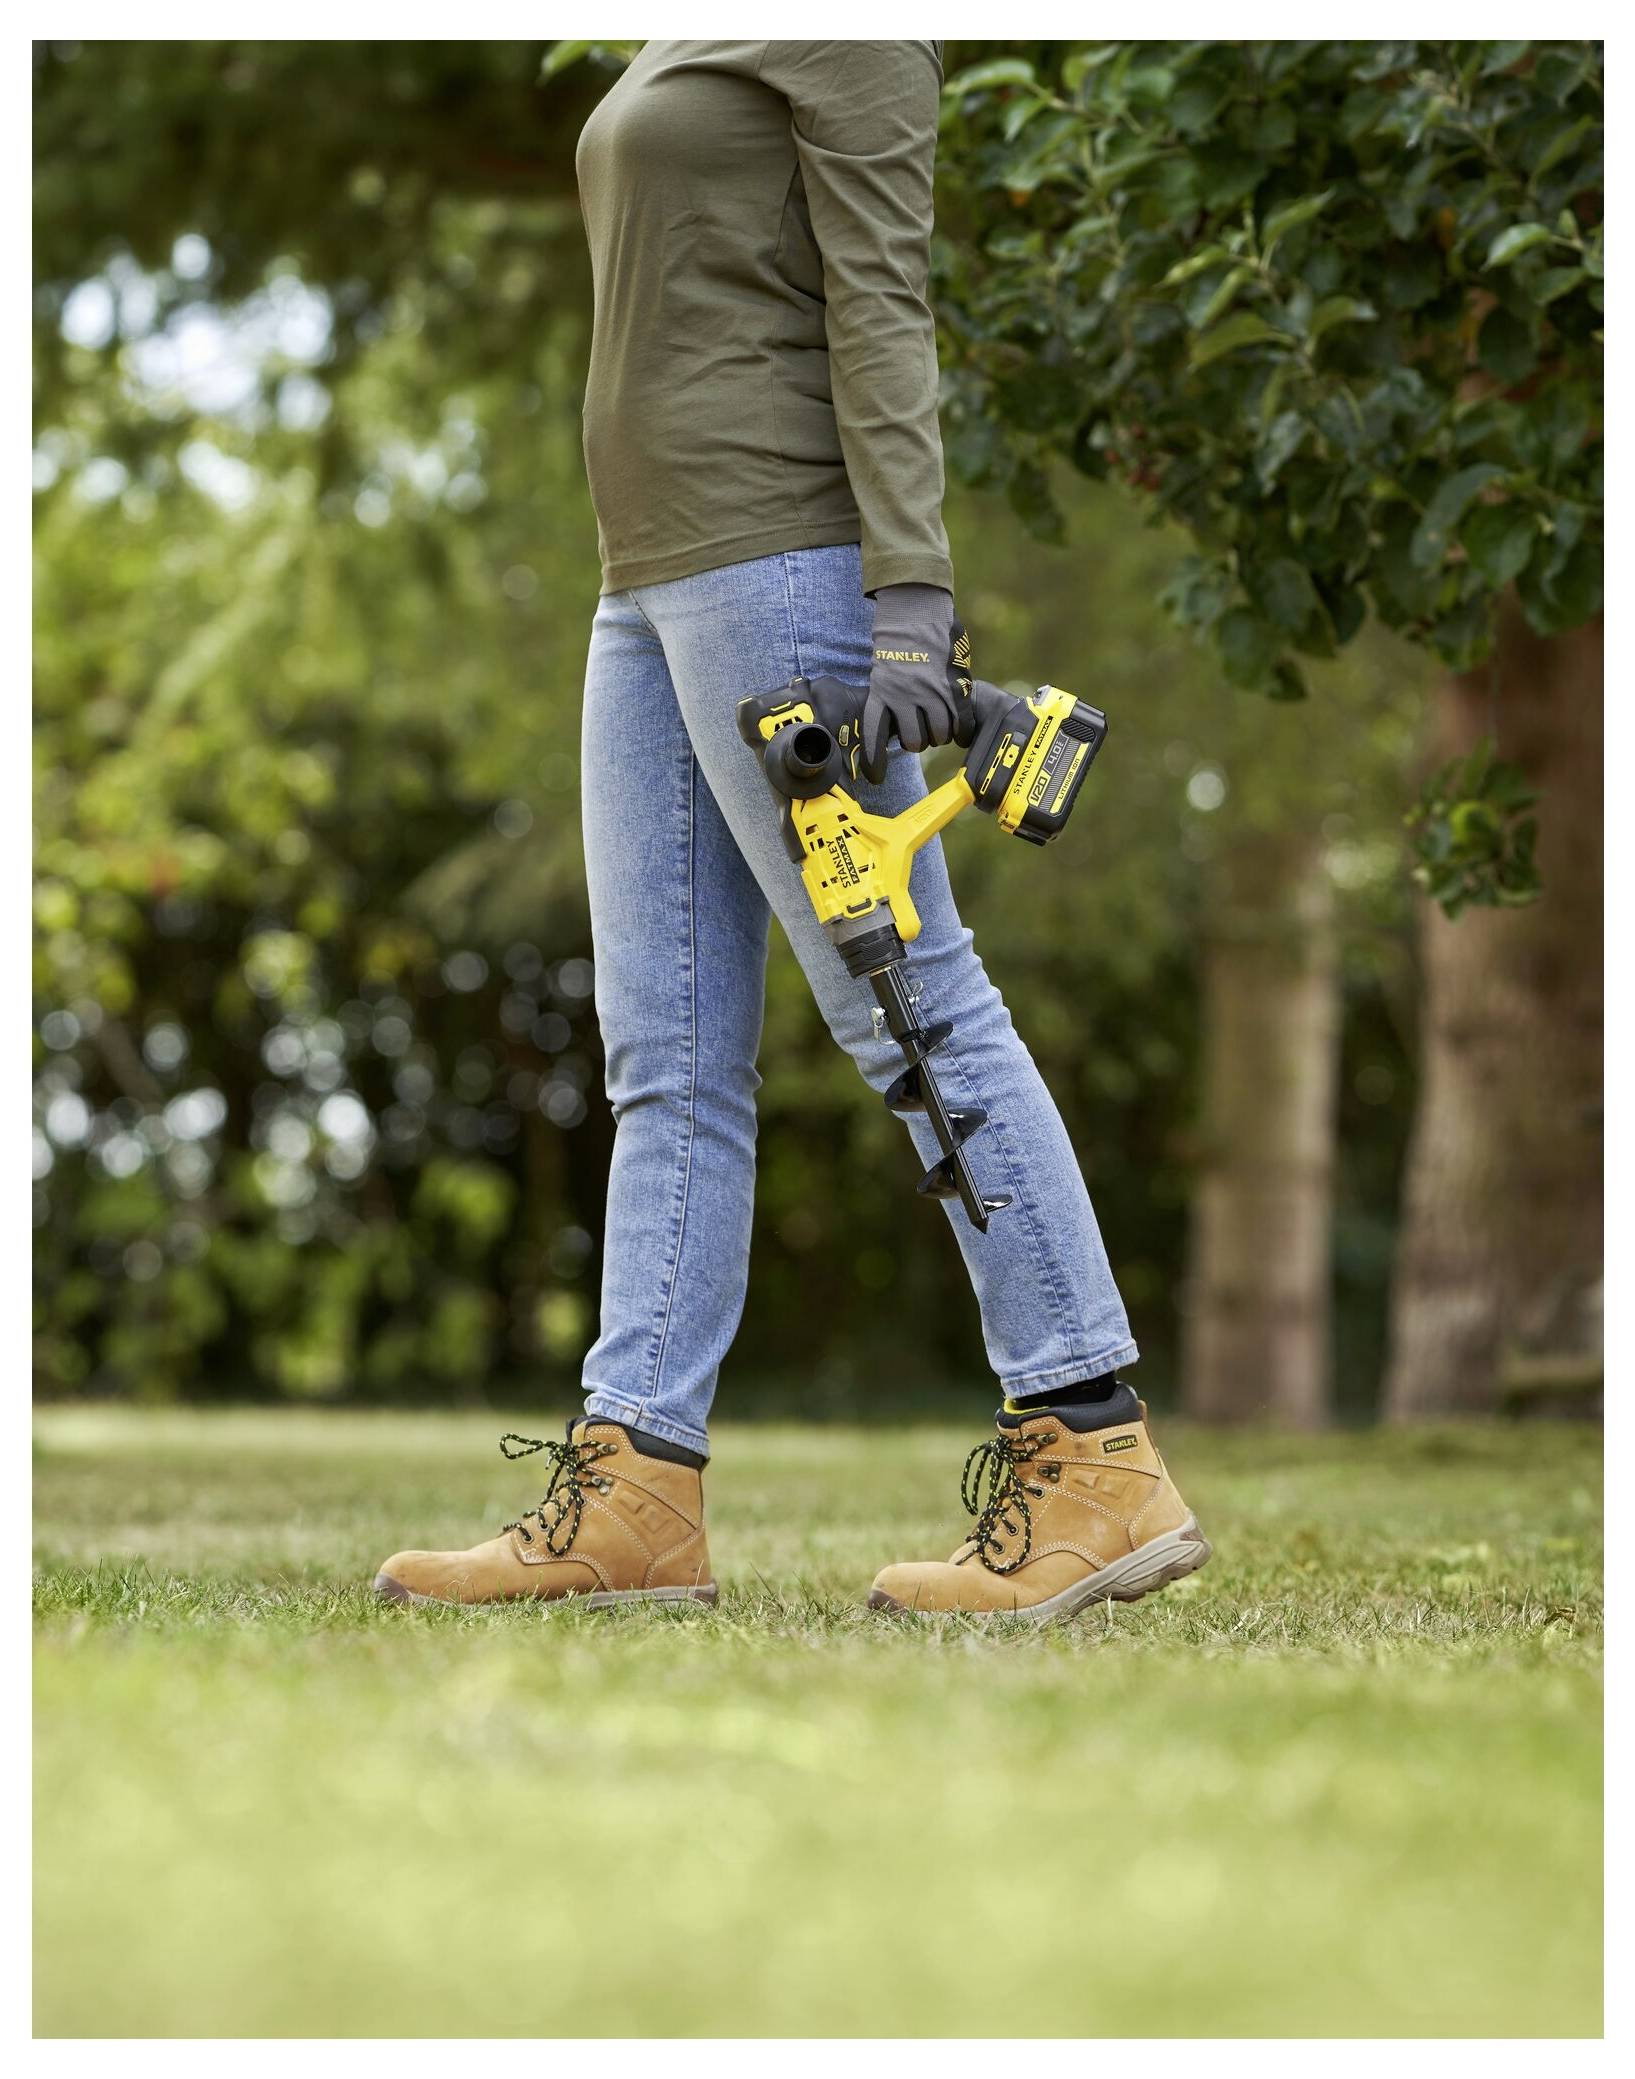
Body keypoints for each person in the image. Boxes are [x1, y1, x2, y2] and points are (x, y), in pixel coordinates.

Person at [373, 39, 1209, 1620]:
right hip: (644, 583)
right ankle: (637, 1492)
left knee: (913, 1006)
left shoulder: (856, 31)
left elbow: (883, 303)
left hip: (780, 564)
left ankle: (1096, 1451)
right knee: (665, 1053)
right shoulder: (686, 32)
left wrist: (913, 612)